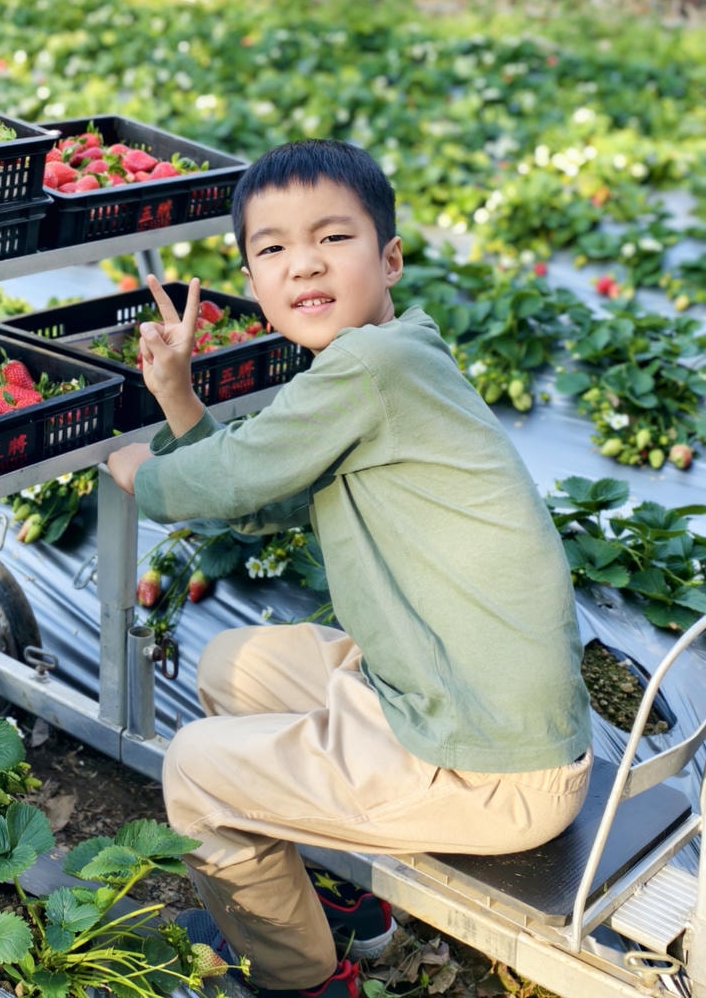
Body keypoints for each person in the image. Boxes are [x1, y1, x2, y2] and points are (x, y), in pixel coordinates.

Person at [106, 139, 591, 998]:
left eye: (332, 238)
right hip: (452, 704)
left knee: (194, 768)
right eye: (273, 248)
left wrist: (151, 475)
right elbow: (267, 499)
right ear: (253, 284)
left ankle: (300, 976)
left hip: (491, 767)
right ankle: (340, 906)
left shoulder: (371, 368)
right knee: (233, 666)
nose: (303, 264)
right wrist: (180, 397)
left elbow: (227, 480)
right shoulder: (393, 362)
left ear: (390, 257)